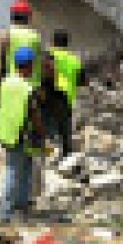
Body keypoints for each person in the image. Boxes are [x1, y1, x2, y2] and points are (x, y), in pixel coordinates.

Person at [0, 46, 46, 223]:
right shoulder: (27, 88)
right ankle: (5, 212)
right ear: (30, 66)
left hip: (7, 131)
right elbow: (34, 113)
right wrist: (41, 133)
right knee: (15, 170)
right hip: (21, 133)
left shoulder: (5, 83)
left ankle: (22, 205)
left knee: (24, 168)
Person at [43, 29, 86, 157]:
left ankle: (48, 154)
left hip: (48, 93)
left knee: (48, 125)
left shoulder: (47, 55)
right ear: (67, 44)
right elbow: (81, 81)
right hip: (66, 96)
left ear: (53, 42)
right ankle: (66, 154)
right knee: (65, 127)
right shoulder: (74, 60)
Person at [0, 0, 42, 106]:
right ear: (28, 17)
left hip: (13, 87)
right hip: (33, 88)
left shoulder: (5, 35)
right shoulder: (36, 37)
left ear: (12, 16)